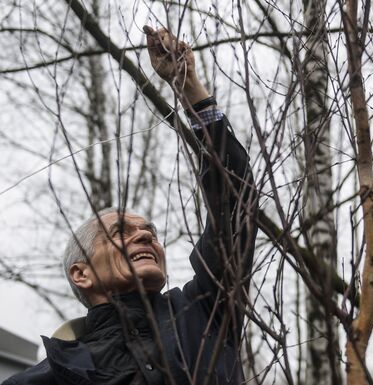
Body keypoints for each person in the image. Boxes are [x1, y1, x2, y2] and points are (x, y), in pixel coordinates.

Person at [3, 26, 258, 385]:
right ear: (81, 273)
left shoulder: (204, 311)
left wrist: (190, 90)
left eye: (149, 232)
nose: (145, 237)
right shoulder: (45, 380)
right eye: (121, 232)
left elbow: (235, 201)